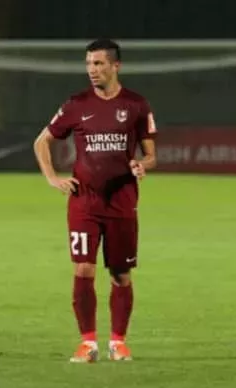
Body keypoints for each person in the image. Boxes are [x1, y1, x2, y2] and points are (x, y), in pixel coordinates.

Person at [33, 39, 157, 363]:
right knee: (84, 268)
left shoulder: (136, 105)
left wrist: (141, 164)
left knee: (120, 274)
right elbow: (41, 142)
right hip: (84, 201)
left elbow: (151, 155)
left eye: (99, 63)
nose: (92, 70)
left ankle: (118, 343)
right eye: (88, 63)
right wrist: (51, 177)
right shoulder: (76, 104)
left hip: (122, 201)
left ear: (116, 66)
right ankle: (87, 343)